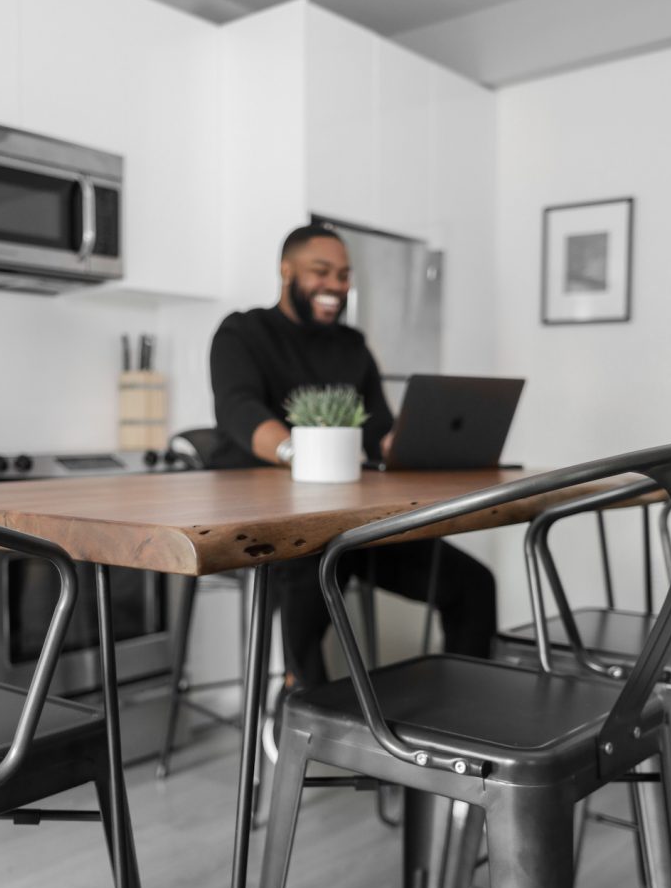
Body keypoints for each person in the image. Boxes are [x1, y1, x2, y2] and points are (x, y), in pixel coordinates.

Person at [209, 223, 496, 691]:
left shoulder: (352, 347)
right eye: (321, 271)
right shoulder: (242, 332)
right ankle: (298, 713)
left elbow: (379, 431)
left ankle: (465, 724)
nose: (336, 286)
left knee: (472, 585)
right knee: (306, 563)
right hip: (270, 528)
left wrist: (417, 442)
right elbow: (238, 410)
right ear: (286, 270)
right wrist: (298, 452)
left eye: (344, 275)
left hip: (352, 528)